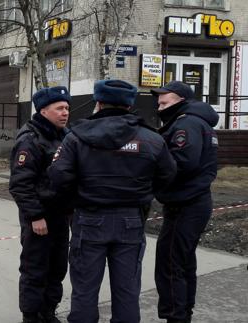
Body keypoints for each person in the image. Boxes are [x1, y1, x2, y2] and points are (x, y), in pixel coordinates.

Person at [48, 80, 176, 323]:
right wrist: (141, 193)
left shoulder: (76, 137)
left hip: (89, 219)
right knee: (127, 292)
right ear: (130, 105)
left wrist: (77, 197)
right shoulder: (151, 139)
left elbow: (57, 177)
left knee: (85, 290)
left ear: (98, 102)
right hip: (131, 220)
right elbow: (168, 176)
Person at [151, 81, 219, 323]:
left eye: (165, 102)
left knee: (171, 264)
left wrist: (152, 173)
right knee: (183, 262)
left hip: (185, 204)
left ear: (181, 100)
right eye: (158, 103)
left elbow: (182, 162)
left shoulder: (186, 123)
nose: (160, 108)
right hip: (193, 202)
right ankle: (182, 314)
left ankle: (176, 317)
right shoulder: (194, 121)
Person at [9, 86, 72, 323]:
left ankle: (48, 312)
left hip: (60, 216)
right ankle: (32, 315)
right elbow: (20, 184)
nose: (65, 112)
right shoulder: (30, 139)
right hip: (39, 219)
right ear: (44, 110)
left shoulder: (65, 136)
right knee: (35, 269)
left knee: (57, 269)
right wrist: (35, 216)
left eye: (67, 107)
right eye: (59, 108)